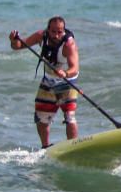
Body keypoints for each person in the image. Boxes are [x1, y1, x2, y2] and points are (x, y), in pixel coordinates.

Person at [8, 16, 80, 148]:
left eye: (60, 32)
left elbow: (75, 68)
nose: (57, 35)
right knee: (41, 116)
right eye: (53, 31)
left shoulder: (69, 44)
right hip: (49, 81)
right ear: (48, 30)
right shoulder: (41, 36)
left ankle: (73, 147)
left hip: (66, 82)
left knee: (69, 116)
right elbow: (18, 46)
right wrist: (13, 41)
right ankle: (46, 147)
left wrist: (65, 73)